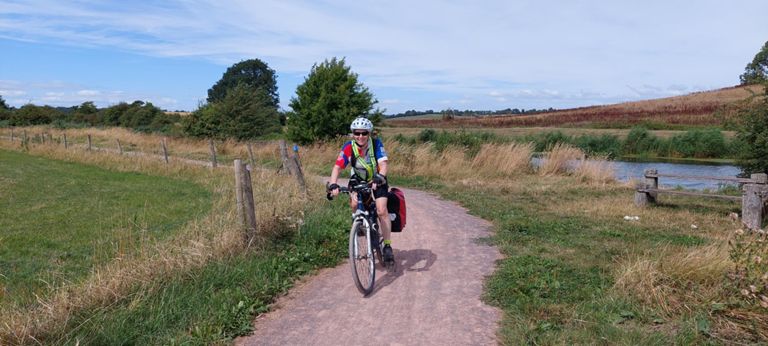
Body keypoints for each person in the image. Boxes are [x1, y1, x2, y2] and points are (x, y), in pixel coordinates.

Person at [328, 117, 394, 264]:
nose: (360, 136)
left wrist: (380, 177)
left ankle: (388, 246)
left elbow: (383, 164)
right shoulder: (348, 147)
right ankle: (358, 224)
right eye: (357, 133)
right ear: (353, 134)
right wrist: (333, 184)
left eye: (364, 133)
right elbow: (337, 167)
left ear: (368, 133)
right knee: (354, 204)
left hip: (378, 179)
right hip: (358, 180)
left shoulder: (376, 144)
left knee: (381, 210)